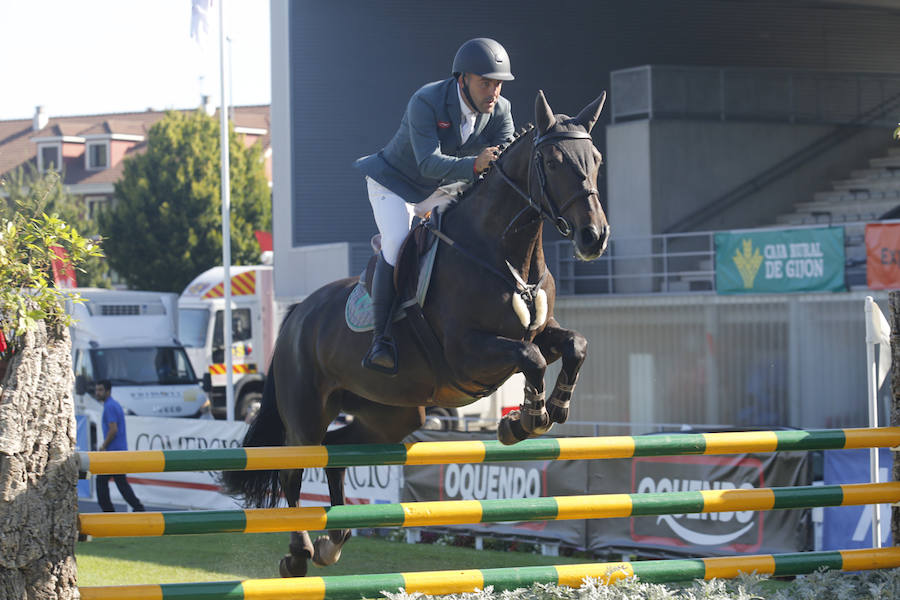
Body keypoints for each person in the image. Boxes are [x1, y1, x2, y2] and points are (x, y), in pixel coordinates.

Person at [354, 37, 516, 374]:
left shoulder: (501, 111)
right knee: (397, 244)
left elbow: (505, 161)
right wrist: (475, 165)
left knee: (465, 237)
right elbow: (427, 163)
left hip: (441, 188)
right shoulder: (426, 101)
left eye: (498, 84)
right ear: (463, 80)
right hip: (394, 184)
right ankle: (380, 341)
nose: (493, 92)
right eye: (485, 83)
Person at [94, 379, 145, 512]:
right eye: (96, 390)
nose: (97, 393)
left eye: (100, 390)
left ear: (108, 391)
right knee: (121, 484)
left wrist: (103, 446)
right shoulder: (114, 404)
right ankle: (138, 508)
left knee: (101, 482)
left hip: (113, 453)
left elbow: (113, 429)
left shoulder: (109, 406)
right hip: (118, 451)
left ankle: (109, 512)